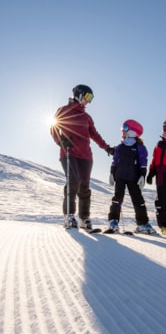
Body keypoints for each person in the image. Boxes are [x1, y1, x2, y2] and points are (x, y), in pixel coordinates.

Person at [50, 84, 114, 229]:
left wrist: (107, 148)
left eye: (91, 98)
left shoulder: (86, 117)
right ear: (79, 94)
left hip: (86, 156)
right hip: (69, 153)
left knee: (84, 187)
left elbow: (94, 135)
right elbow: (54, 127)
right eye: (87, 97)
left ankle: (84, 218)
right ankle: (69, 216)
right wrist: (60, 141)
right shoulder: (63, 110)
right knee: (73, 183)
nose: (88, 101)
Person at [107, 119, 153, 234]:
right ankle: (113, 221)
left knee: (138, 200)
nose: (123, 131)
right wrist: (112, 173)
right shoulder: (120, 147)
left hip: (134, 177)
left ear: (133, 131)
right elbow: (115, 161)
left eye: (125, 129)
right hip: (120, 176)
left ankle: (143, 224)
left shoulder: (139, 147)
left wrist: (142, 175)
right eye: (123, 129)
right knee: (117, 199)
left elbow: (143, 162)